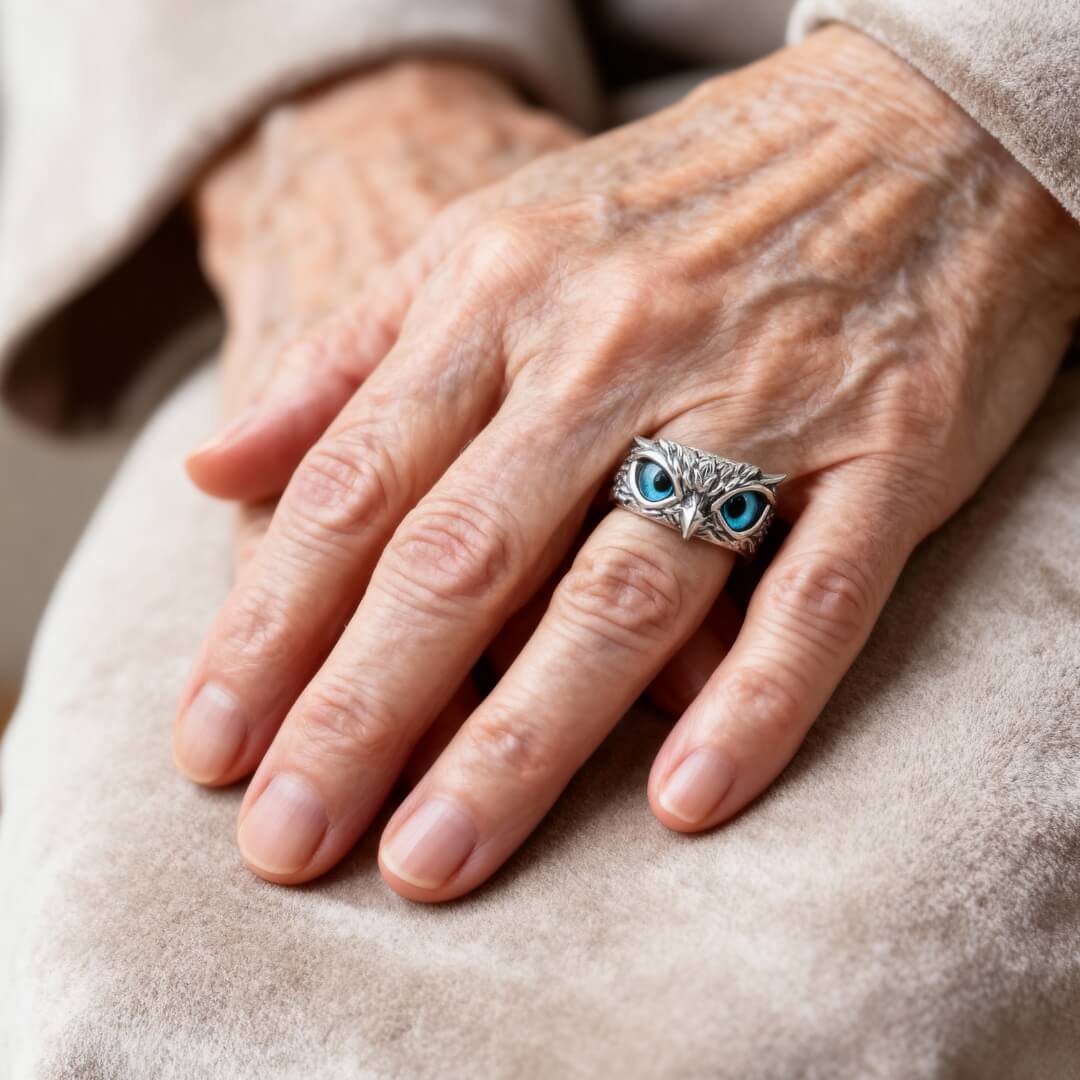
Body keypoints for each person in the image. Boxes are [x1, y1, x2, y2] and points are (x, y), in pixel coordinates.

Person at [2, 1, 1079, 1075]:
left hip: (976, 135)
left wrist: (954, 122)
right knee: (134, 987)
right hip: (492, 87)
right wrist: (335, 116)